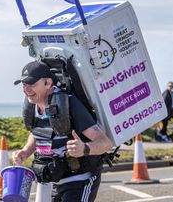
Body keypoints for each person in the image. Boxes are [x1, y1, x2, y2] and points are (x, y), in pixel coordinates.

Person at [12, 61, 112, 202]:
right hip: (56, 182)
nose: (26, 89)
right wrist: (25, 151)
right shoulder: (32, 106)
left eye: (32, 84)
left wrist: (84, 148)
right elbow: (38, 132)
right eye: (24, 85)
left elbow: (105, 143)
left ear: (48, 83)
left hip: (80, 181)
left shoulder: (68, 104)